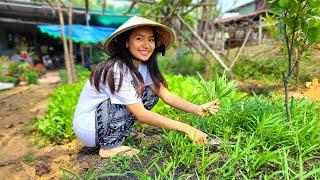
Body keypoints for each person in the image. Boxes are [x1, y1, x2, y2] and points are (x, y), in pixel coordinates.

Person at [73, 16, 220, 158]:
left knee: (151, 93)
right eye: (139, 38)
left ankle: (118, 133)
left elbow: (166, 95)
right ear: (126, 42)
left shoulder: (143, 66)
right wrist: (187, 129)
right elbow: (141, 114)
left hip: (102, 123)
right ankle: (109, 148)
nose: (146, 44)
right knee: (128, 102)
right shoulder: (116, 69)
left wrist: (197, 109)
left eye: (151, 39)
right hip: (89, 128)